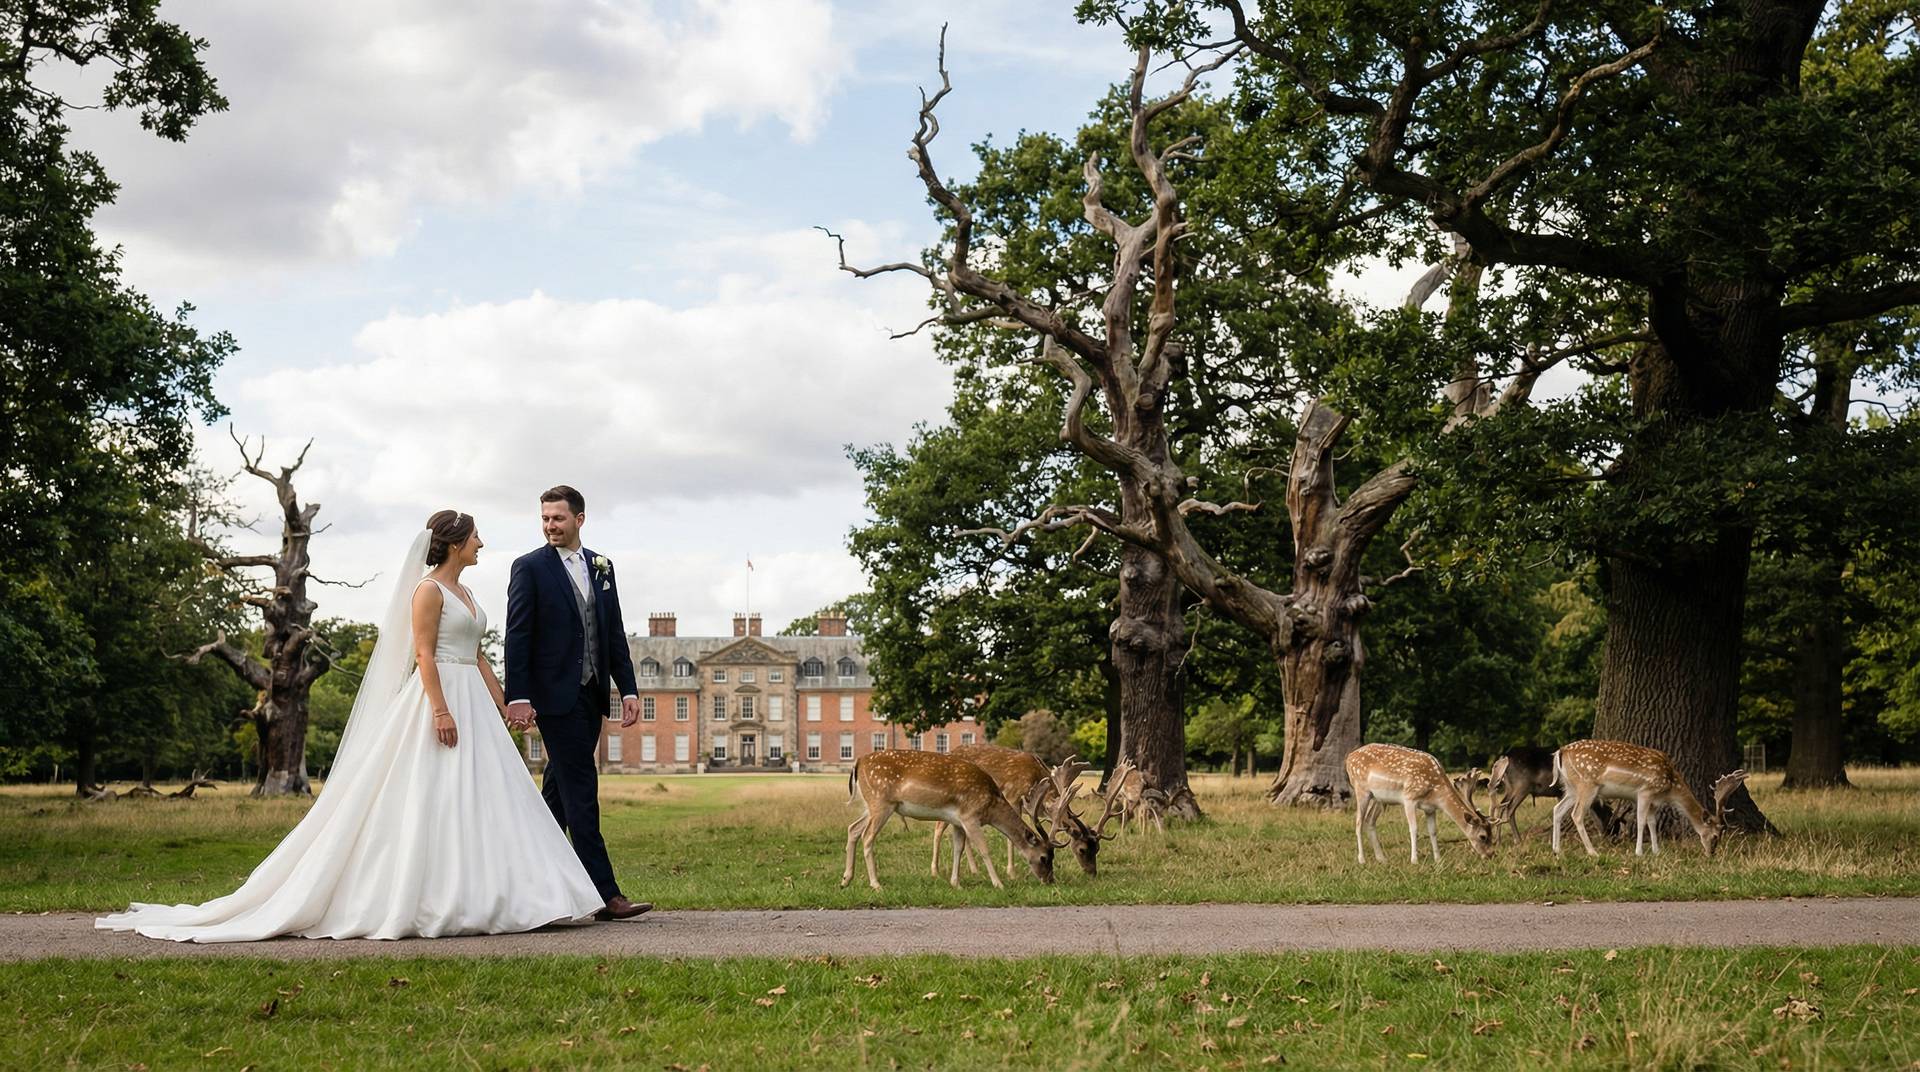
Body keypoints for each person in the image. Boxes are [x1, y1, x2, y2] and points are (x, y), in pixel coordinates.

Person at [96, 511, 604, 941]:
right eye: (474, 537)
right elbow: (424, 654)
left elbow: (477, 655)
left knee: (488, 797)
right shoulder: (427, 592)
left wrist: (503, 701)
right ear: (453, 543)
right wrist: (441, 710)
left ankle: (508, 891)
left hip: (472, 692)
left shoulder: (467, 592)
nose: (481, 544)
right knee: (434, 794)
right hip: (441, 698)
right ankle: (426, 894)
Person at [504, 485, 650, 920]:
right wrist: (518, 695)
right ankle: (606, 894)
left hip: (591, 695)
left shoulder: (602, 567)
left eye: (558, 518)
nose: (550, 525)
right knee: (582, 790)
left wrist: (627, 688)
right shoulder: (529, 568)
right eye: (545, 518)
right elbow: (518, 634)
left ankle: (528, 883)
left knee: (558, 796)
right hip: (554, 697)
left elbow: (613, 632)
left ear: (579, 520)